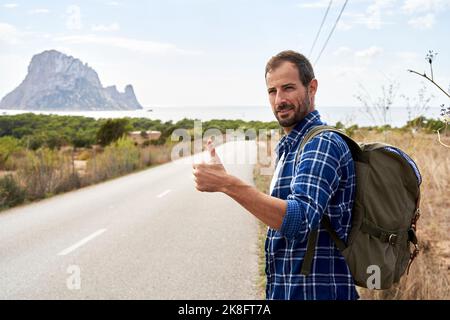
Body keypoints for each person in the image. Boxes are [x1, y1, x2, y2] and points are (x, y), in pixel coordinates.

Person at [193, 50, 358, 300]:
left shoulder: (322, 143)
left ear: (311, 88)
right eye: (272, 91)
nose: (279, 99)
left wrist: (227, 184)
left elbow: (300, 220)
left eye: (288, 88)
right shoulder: (291, 146)